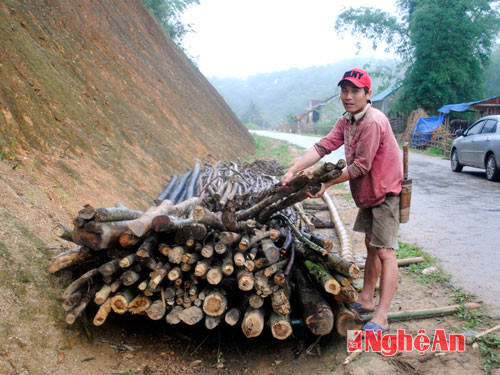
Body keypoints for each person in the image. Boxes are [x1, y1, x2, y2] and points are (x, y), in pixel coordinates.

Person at [280, 68, 403, 333]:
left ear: (368, 94)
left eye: (355, 91)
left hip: (386, 192)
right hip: (370, 193)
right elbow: (323, 146)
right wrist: (293, 170)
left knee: (385, 251)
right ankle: (367, 298)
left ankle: (382, 316)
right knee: (371, 244)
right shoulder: (347, 120)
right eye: (344, 90)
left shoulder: (372, 122)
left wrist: (327, 183)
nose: (348, 96)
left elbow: (360, 167)